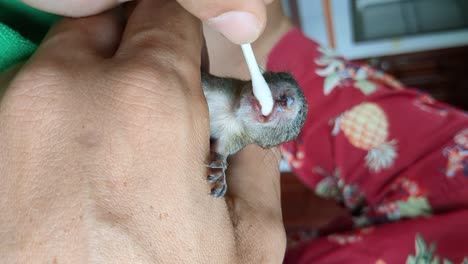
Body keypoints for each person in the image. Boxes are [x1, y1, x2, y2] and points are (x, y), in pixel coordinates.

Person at [0, 0, 286, 263]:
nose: (278, 103)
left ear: (263, 139)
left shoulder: (234, 138)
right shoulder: (231, 87)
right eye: (283, 97)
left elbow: (219, 150)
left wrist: (218, 164)